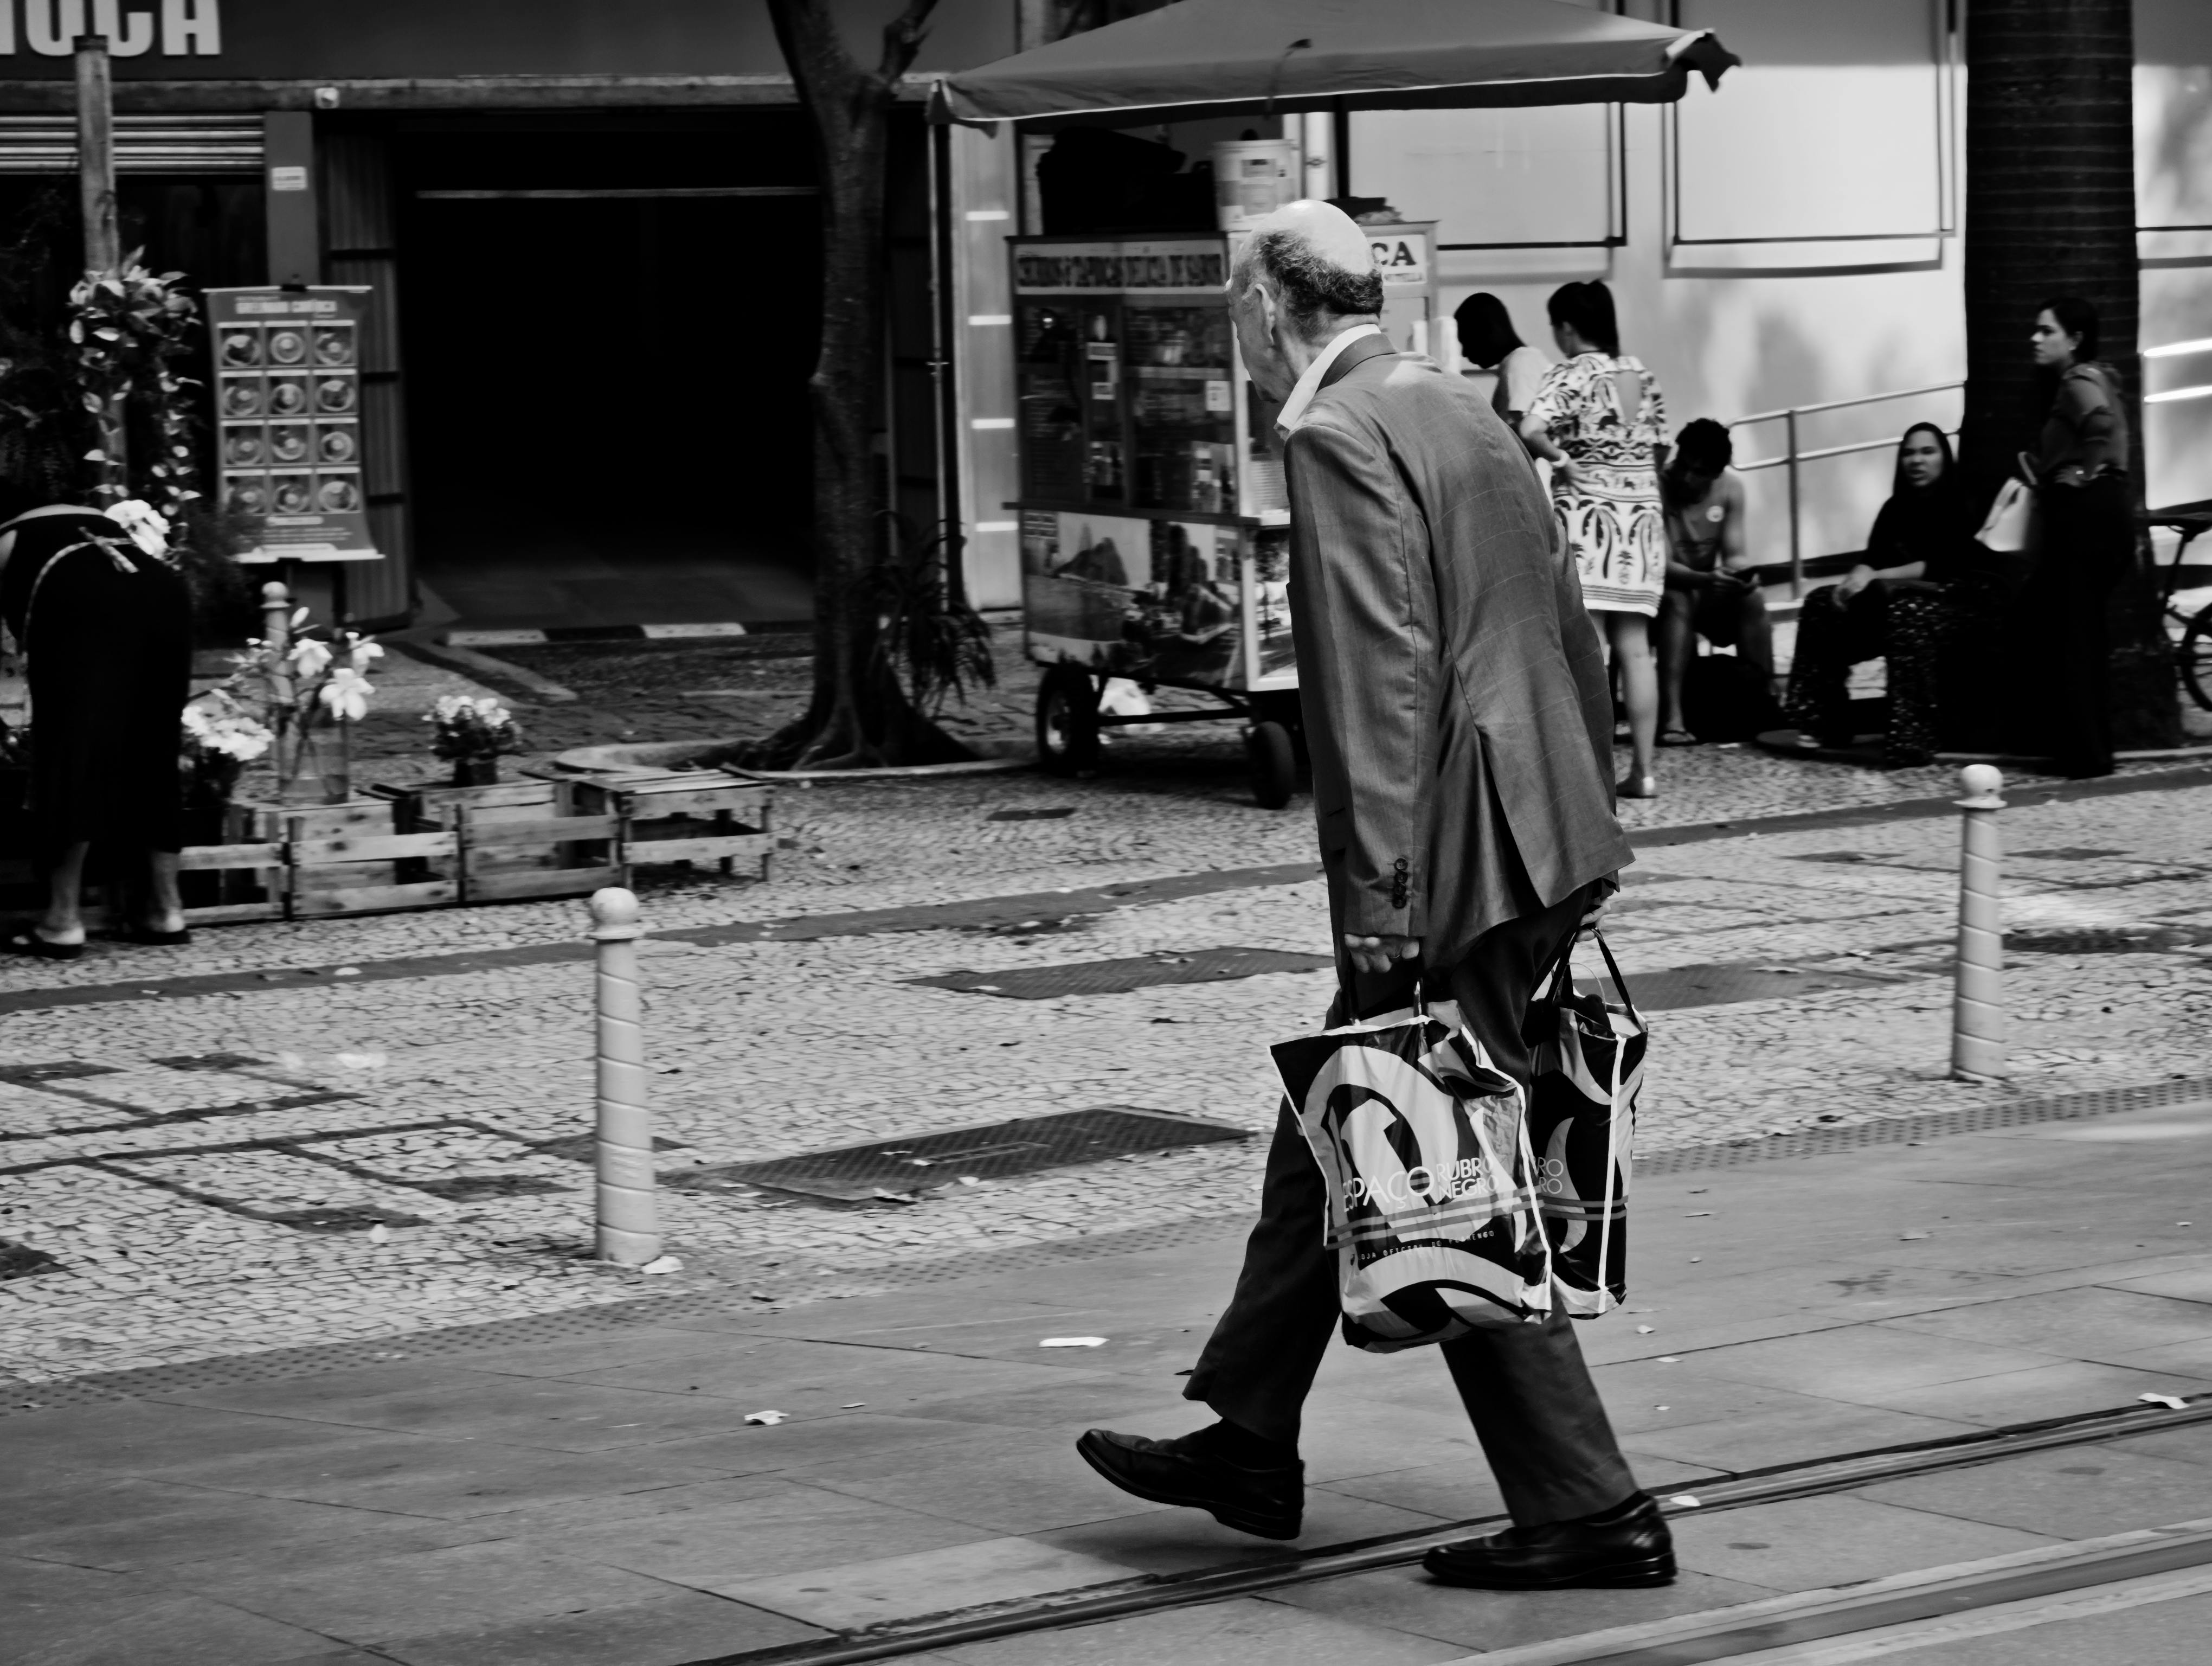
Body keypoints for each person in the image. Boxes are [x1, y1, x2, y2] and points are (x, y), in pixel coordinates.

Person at [1076, 201, 1672, 1592]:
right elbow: (1566, 617)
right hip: (1533, 825)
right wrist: (1574, 827)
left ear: (1265, 302)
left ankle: (1589, 1502)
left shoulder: (1334, 430)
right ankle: (1247, 1427)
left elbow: (1375, 685)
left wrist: (1382, 910)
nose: (1229, 325)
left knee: (1433, 1160)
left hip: (1454, 852)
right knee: (1343, 1117)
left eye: (1230, 298)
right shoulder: (1459, 408)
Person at [0, 491, 194, 958]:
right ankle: (165, 913)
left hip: (81, 599)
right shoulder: (96, 523)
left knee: (73, 750)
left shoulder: (9, 537)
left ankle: (62, 922)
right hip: (163, 588)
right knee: (155, 745)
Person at [1521, 281, 1669, 798]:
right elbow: (1658, 450)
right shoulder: (1635, 374)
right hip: (1642, 523)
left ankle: (1593, 776)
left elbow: (1531, 428)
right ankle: (1645, 772)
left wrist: (1562, 460)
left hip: (1590, 523)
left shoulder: (1571, 372)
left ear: (1567, 327)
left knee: (1592, 648)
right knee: (1638, 650)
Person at [1783, 424, 1974, 766]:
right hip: (1887, 599)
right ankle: (1822, 722)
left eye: (1928, 452)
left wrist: (1877, 576)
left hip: (1945, 603)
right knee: (1820, 604)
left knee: (1907, 612)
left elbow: (1941, 566)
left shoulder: (1958, 503)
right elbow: (1873, 557)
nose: (1917, 461)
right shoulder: (1894, 508)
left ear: (1945, 458)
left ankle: (1911, 736)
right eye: (1909, 453)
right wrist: (1855, 578)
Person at [2014, 297, 2132, 778]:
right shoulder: (2099, 376)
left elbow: (2099, 423)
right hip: (2105, 515)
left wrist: (2083, 472)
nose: (2035, 339)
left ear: (2075, 340)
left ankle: (2086, 756)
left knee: (2074, 636)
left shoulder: (2077, 379)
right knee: (2082, 632)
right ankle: (2090, 748)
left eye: (2047, 331)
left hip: (2084, 516)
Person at [1656, 419, 1769, 745]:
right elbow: (1660, 567)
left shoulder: (1731, 489)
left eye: (1699, 472)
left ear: (1716, 474)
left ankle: (1763, 704)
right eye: (1684, 466)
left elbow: (1735, 553)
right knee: (1678, 599)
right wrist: (1707, 579)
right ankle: (1673, 720)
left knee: (1753, 598)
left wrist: (1741, 576)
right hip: (1664, 593)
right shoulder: (1656, 487)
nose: (1687, 478)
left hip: (1703, 587)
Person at [1454, 292, 1552, 429]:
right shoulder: (1518, 362)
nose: (1464, 353)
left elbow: (1529, 431)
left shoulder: (1522, 363)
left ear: (1485, 333)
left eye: (1467, 342)